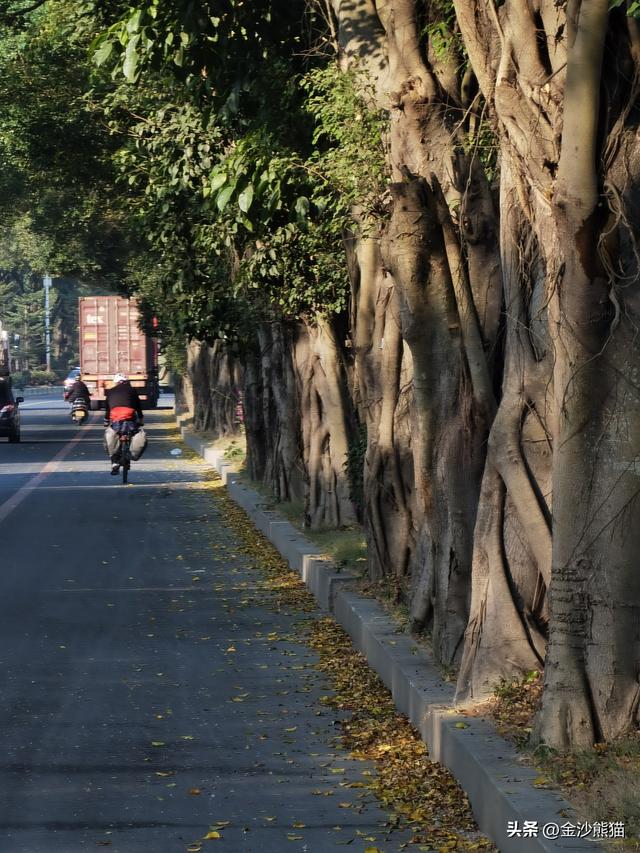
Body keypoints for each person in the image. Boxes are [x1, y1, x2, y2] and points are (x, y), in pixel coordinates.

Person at [103, 373, 148, 475]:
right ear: (126, 382)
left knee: (112, 435)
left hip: (116, 418)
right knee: (134, 432)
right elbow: (138, 406)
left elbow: (108, 408)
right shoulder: (132, 390)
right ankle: (130, 451)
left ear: (116, 382)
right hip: (130, 418)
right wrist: (141, 418)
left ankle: (114, 462)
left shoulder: (110, 391)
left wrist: (106, 420)